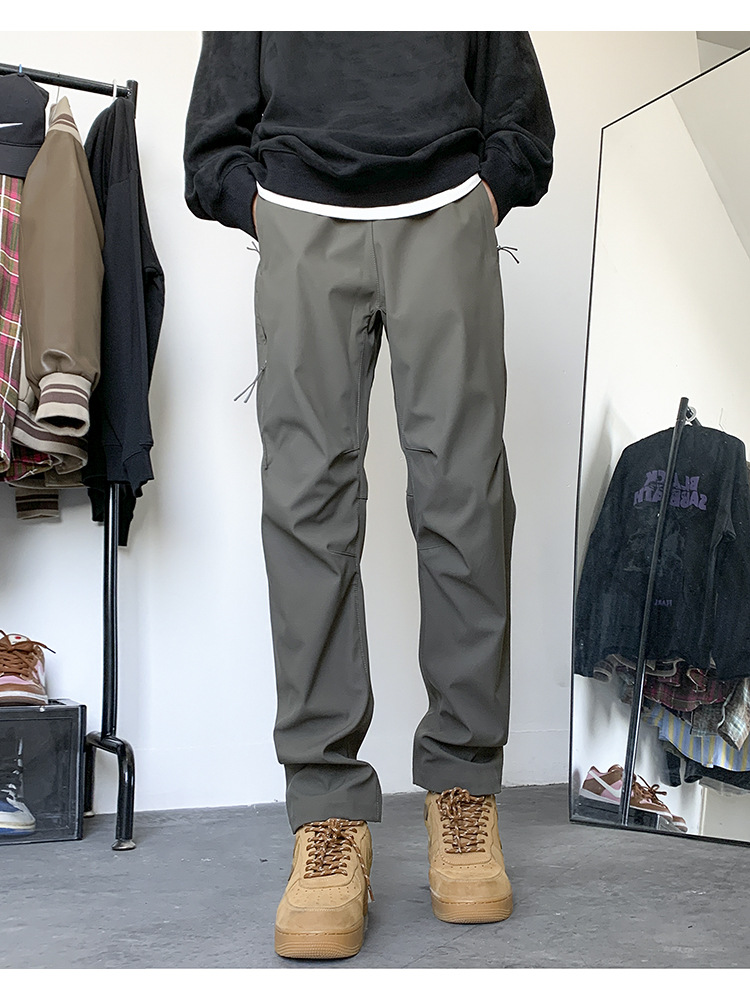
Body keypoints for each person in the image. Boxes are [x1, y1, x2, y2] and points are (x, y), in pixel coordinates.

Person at [184, 30, 554, 960]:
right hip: (301, 218)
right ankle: (326, 813)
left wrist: (484, 197)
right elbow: (212, 134)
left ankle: (463, 791)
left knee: (465, 500)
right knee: (306, 510)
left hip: (446, 214)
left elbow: (520, 109)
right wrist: (260, 206)